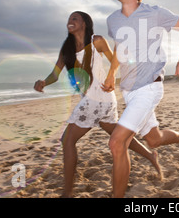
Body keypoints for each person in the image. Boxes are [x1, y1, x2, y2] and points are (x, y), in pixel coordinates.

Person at [34, 11, 161, 198]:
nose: (70, 21)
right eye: (69, 19)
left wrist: (115, 76)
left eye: (75, 18)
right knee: (118, 134)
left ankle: (67, 192)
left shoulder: (97, 41)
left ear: (85, 23)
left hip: (98, 96)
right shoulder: (67, 49)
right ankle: (151, 156)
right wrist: (44, 82)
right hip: (97, 99)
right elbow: (55, 74)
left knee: (67, 140)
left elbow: (115, 62)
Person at [102, 0, 179, 198]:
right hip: (129, 91)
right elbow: (120, 47)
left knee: (117, 143)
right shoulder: (113, 20)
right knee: (154, 140)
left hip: (150, 87)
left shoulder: (155, 14)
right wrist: (110, 74)